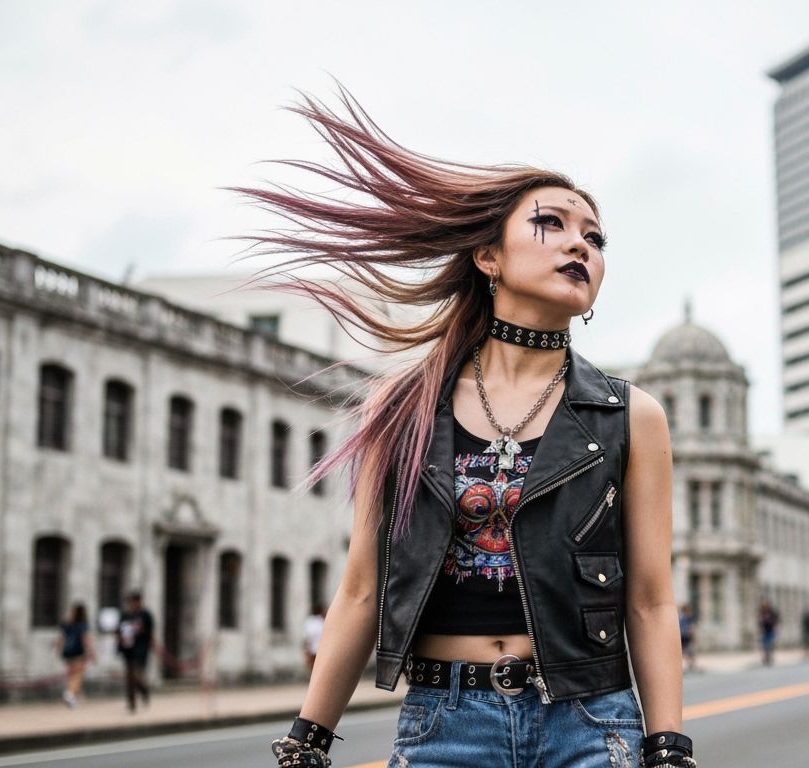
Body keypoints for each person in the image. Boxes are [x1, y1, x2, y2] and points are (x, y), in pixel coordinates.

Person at [251, 90, 695, 768]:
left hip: (590, 723)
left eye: (596, 237)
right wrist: (307, 737)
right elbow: (363, 590)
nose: (582, 242)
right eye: (552, 223)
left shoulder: (631, 415)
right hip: (444, 727)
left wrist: (667, 747)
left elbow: (651, 600)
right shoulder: (401, 408)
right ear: (488, 258)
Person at [117, 591, 155, 713]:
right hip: (128, 650)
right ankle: (131, 702)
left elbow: (150, 632)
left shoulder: (145, 615)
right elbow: (119, 631)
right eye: (130, 602)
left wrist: (150, 644)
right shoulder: (125, 615)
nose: (132, 604)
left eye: (134, 601)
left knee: (136, 675)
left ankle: (144, 691)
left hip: (141, 649)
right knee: (129, 677)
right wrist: (120, 644)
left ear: (139, 601)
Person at [57, 602, 95, 708]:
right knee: (77, 675)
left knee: (71, 674)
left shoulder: (67, 625)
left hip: (67, 652)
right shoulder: (82, 625)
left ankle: (73, 699)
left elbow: (61, 638)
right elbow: (85, 639)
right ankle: (70, 693)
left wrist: (58, 649)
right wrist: (91, 652)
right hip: (78, 652)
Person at [302, 603, 326, 672]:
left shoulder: (309, 621)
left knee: (313, 667)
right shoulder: (322, 621)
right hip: (320, 648)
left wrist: (306, 648)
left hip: (313, 648)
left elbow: (307, 636)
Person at [758, 601, 780, 666]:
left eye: (766, 605)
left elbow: (776, 620)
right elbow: (759, 621)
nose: (765, 607)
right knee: (764, 645)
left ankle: (770, 656)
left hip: (771, 630)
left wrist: (775, 627)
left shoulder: (771, 612)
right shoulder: (762, 612)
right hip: (764, 631)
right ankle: (766, 657)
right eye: (763, 606)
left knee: (770, 644)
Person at [678, 603, 698, 672]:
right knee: (688, 650)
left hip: (682, 636)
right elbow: (690, 628)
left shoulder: (681, 617)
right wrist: (693, 636)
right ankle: (691, 665)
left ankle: (691, 664)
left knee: (686, 651)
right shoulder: (687, 617)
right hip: (686, 636)